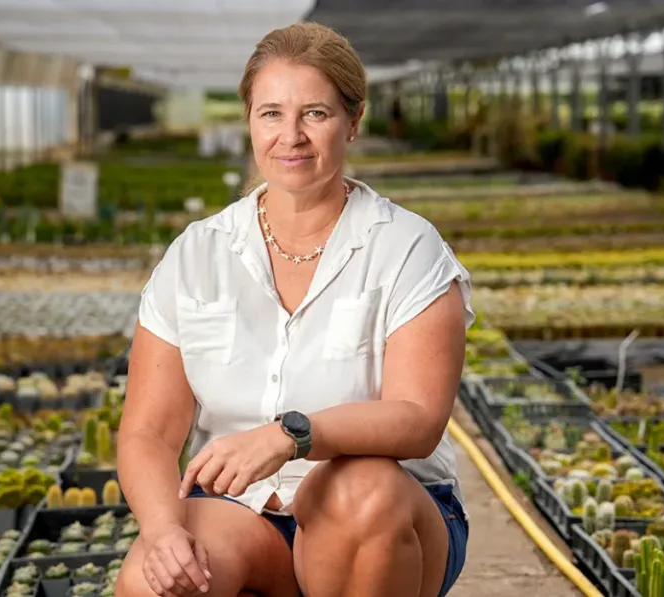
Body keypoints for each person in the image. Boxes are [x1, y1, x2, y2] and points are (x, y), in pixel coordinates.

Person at [116, 21, 475, 597]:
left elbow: (417, 420)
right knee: (152, 580)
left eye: (315, 113)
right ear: (249, 120)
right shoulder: (197, 252)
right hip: (244, 511)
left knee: (363, 492)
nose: (292, 137)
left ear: (353, 122)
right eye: (271, 114)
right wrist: (160, 531)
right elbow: (148, 433)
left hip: (383, 518)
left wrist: (292, 434)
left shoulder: (406, 246)